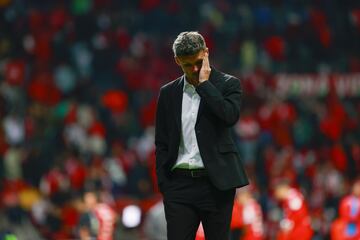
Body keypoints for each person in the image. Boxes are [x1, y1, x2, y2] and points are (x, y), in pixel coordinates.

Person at [155, 31, 249, 240]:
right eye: (188, 65)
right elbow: (161, 142)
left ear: (206, 52)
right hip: (179, 186)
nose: (195, 69)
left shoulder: (228, 84)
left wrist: (205, 85)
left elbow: (229, 116)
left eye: (199, 62)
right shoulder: (168, 92)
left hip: (216, 184)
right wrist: (165, 184)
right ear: (177, 61)